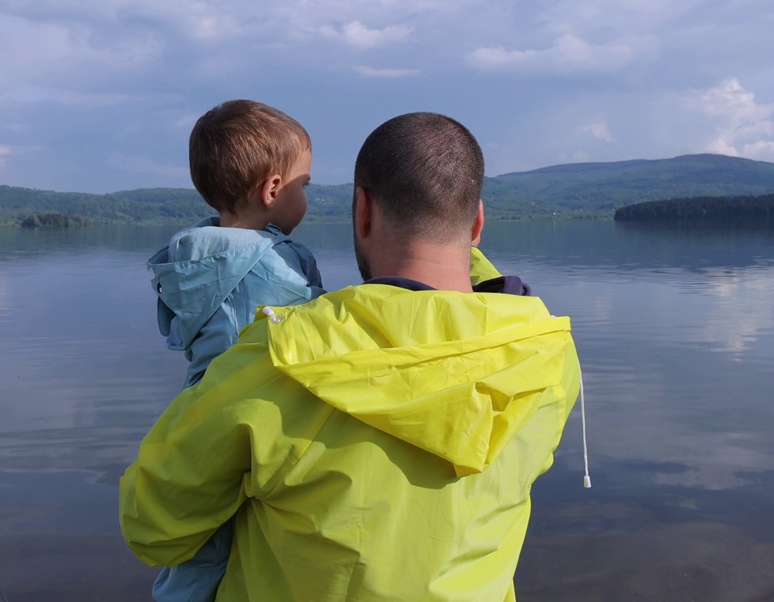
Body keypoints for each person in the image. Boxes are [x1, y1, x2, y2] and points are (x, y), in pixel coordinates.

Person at [121, 112, 581, 601]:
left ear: (362, 211)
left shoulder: (278, 358)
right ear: (478, 222)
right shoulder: (546, 355)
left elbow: (152, 527)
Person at [143, 99, 324, 602]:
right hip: (256, 421)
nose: (305, 197)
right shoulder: (280, 266)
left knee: (202, 547)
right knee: (242, 539)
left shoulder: (194, 260)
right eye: (302, 185)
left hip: (200, 412)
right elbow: (320, 337)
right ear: (272, 189)